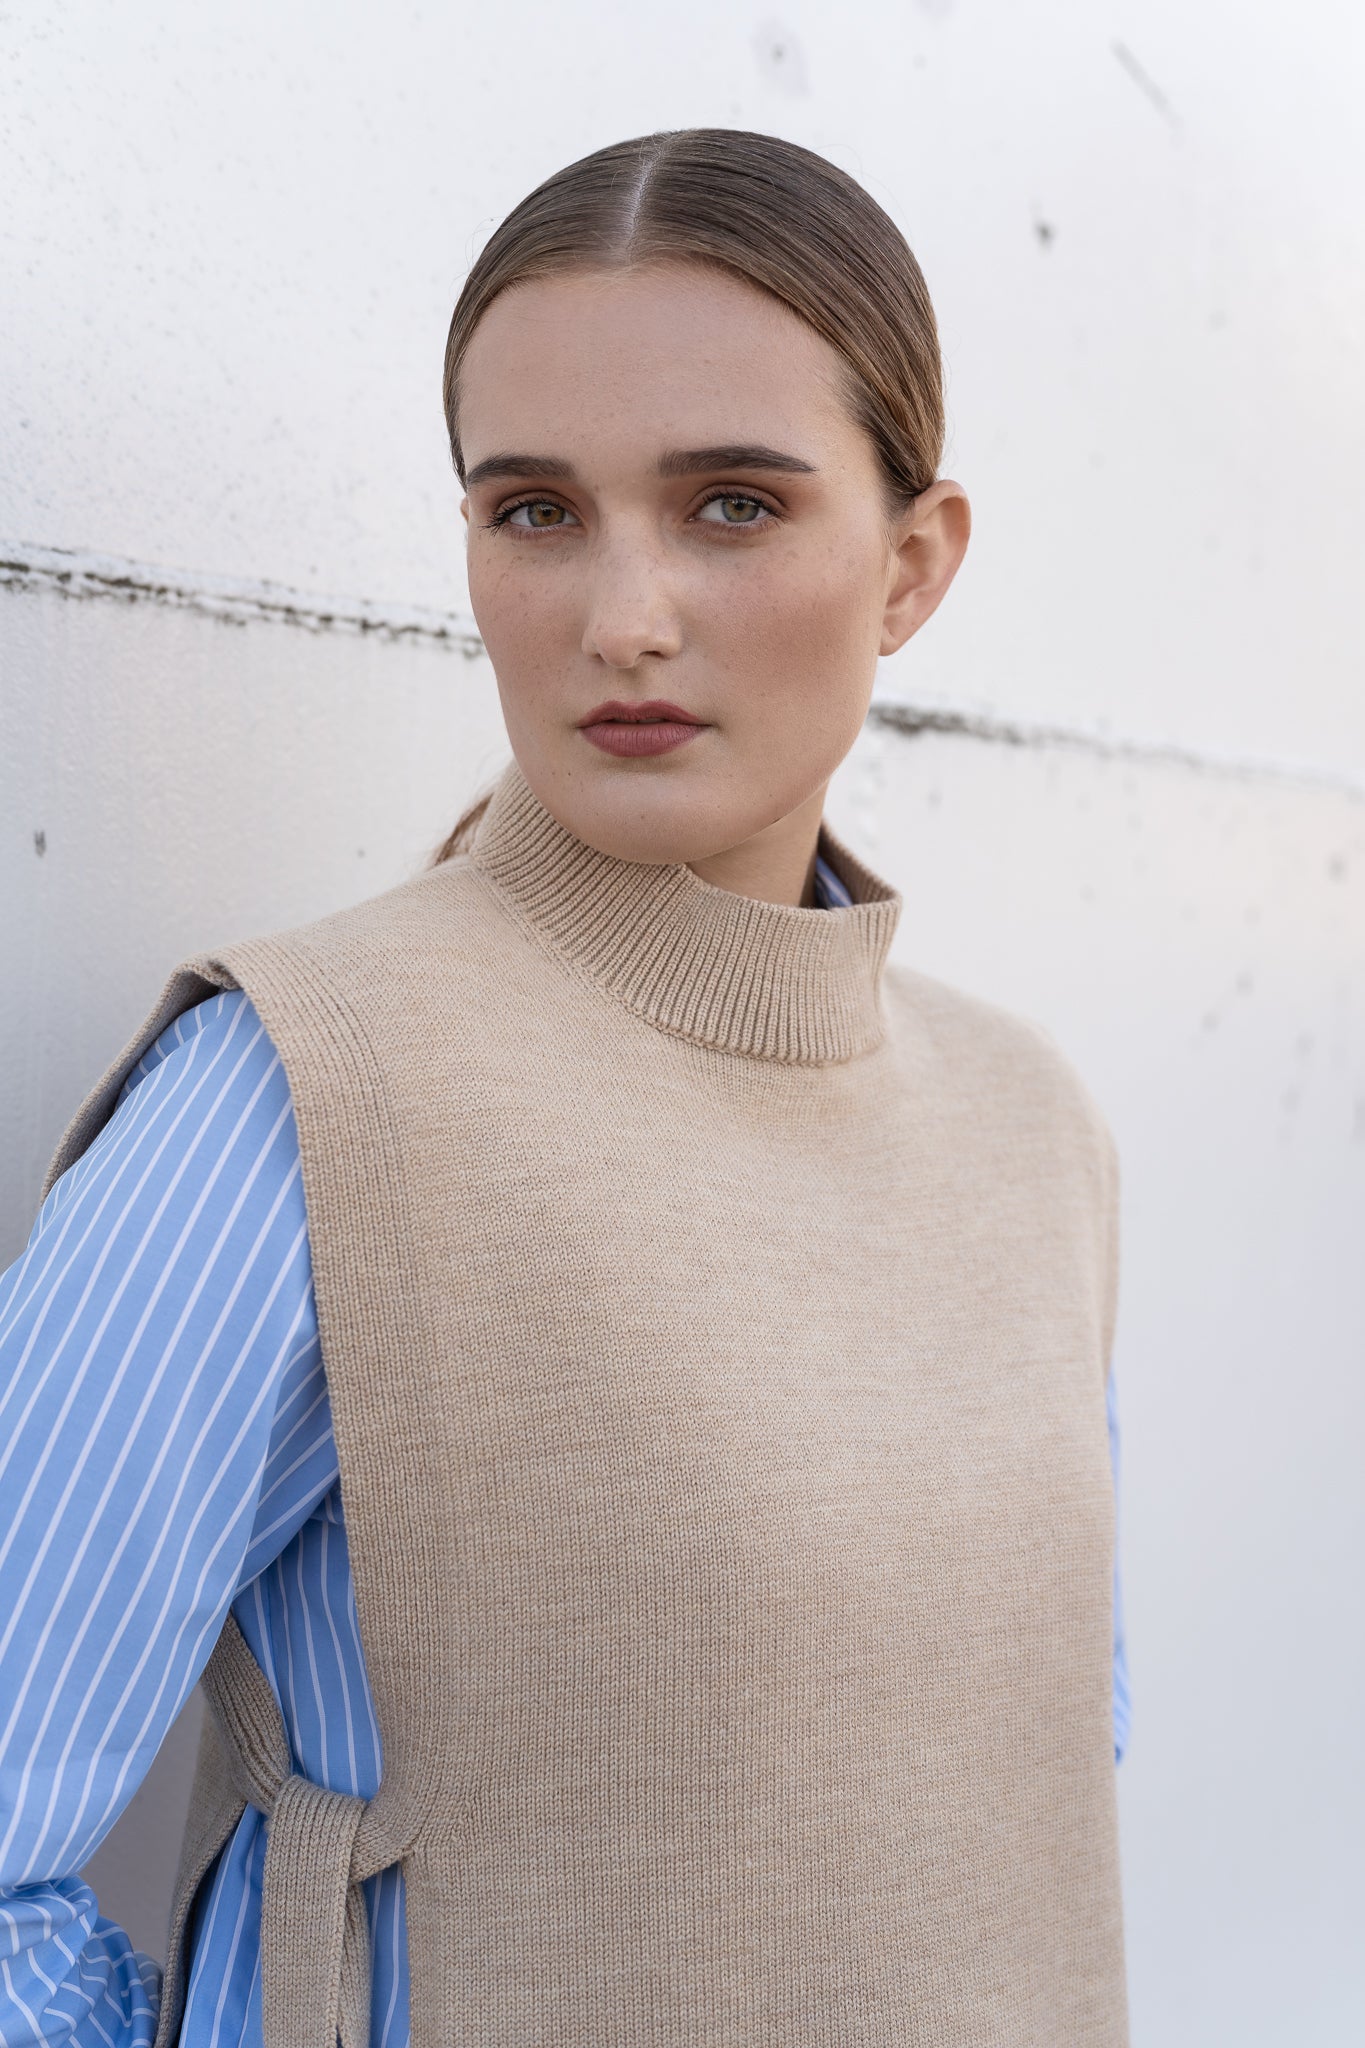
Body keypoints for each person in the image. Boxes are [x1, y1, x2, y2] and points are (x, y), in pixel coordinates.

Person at [0, 127, 1131, 2047]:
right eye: (532, 510)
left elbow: (1022, 1802)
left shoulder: (1033, 1130)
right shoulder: (299, 1097)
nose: (620, 618)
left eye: (733, 505)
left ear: (912, 563)